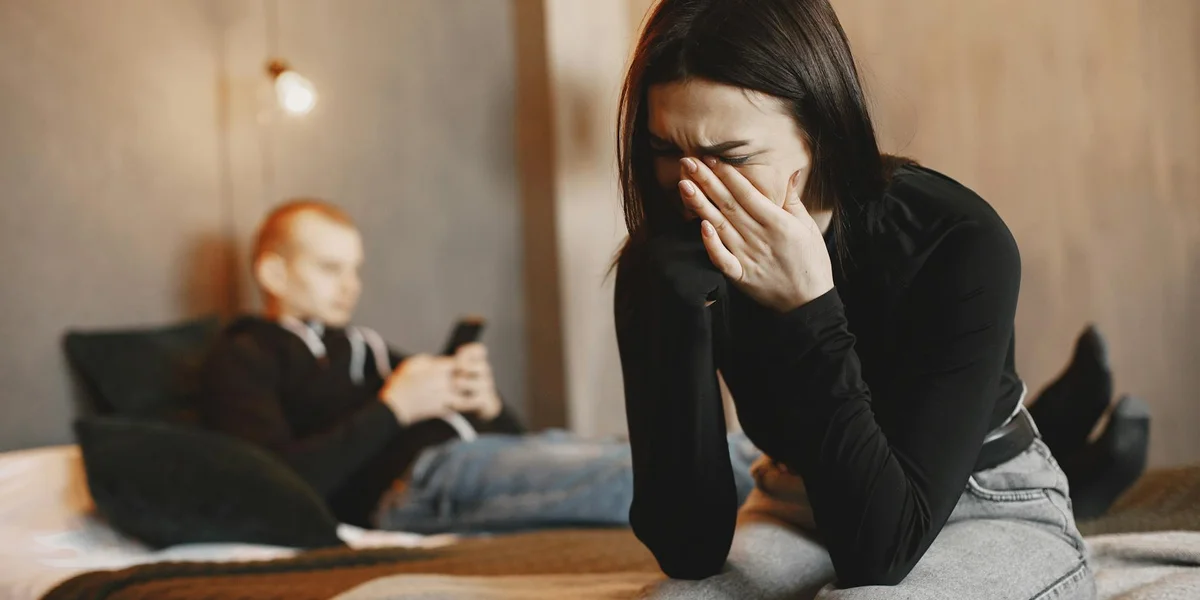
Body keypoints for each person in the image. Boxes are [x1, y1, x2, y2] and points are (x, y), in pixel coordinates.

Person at [612, 1, 1095, 598]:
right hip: (797, 498)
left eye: (731, 158)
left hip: (986, 497)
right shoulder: (662, 260)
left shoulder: (956, 240)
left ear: (820, 133)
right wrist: (675, 318)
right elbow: (688, 550)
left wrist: (807, 309)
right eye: (665, 150)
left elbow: (880, 555)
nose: (693, 186)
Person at [198, 199, 760, 534]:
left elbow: (508, 438)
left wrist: (484, 405)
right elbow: (274, 485)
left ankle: (779, 465)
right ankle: (783, 482)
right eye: (329, 268)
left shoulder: (362, 346)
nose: (351, 285)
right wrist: (394, 408)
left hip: (469, 457)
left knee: (638, 449)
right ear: (272, 274)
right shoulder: (245, 354)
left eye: (354, 269)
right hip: (414, 484)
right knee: (648, 475)